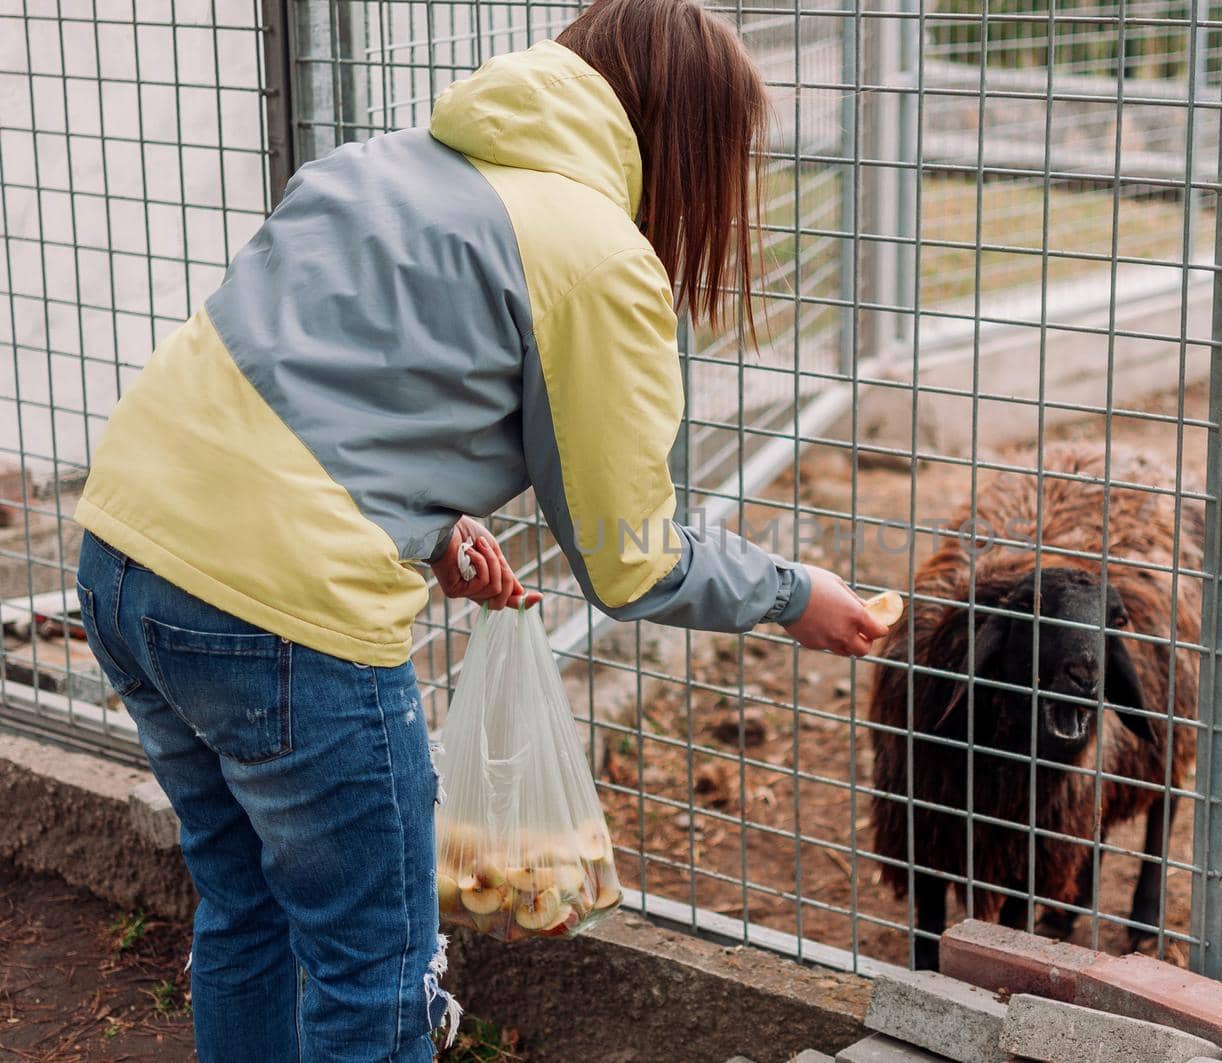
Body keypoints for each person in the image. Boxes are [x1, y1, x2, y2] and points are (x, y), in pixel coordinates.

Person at [72, 0, 888, 1057]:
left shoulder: (380, 164)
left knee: (247, 907)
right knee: (375, 972)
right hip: (281, 619)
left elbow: (311, 383)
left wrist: (428, 518)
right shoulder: (595, 256)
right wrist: (792, 593)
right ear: (689, 136)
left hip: (122, 558)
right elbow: (628, 560)